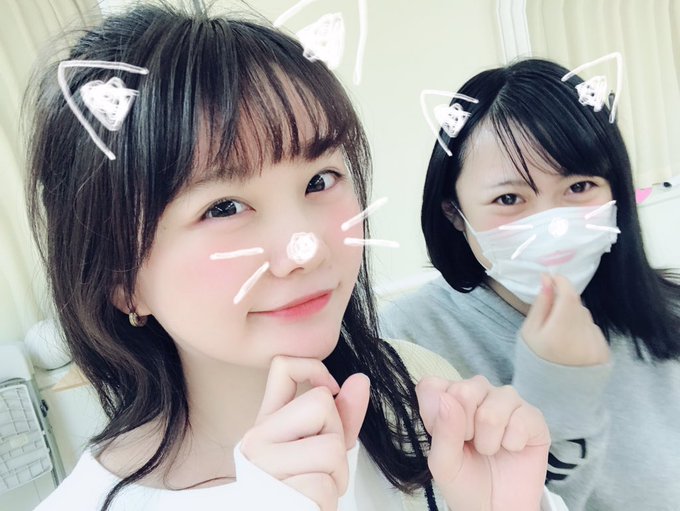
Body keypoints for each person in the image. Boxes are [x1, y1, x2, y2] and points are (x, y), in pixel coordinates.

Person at [24, 4, 568, 511]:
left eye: (320, 180)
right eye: (223, 207)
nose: (303, 250)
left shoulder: (418, 390)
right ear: (121, 280)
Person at [380, 58, 680, 510]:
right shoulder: (409, 342)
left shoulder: (667, 313)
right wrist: (558, 391)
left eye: (579, 187)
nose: (553, 225)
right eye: (509, 198)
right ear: (455, 214)